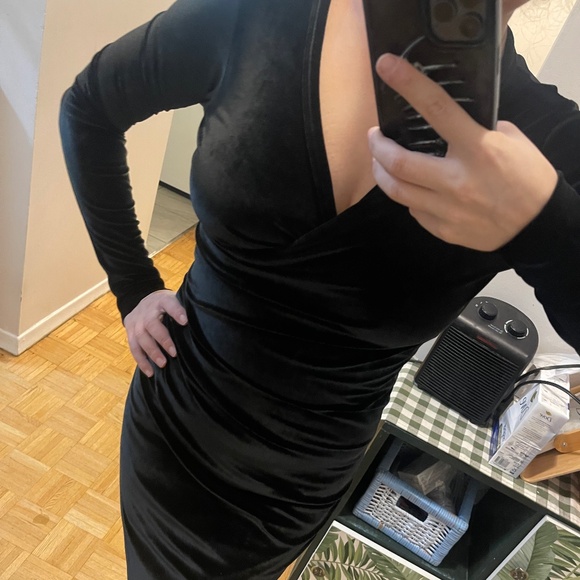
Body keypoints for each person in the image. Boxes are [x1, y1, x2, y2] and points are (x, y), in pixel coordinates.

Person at [59, 0, 580, 577]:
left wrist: (545, 224)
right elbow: (88, 107)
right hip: (173, 425)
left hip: (292, 488)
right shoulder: (259, 13)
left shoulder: (549, 146)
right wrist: (133, 285)